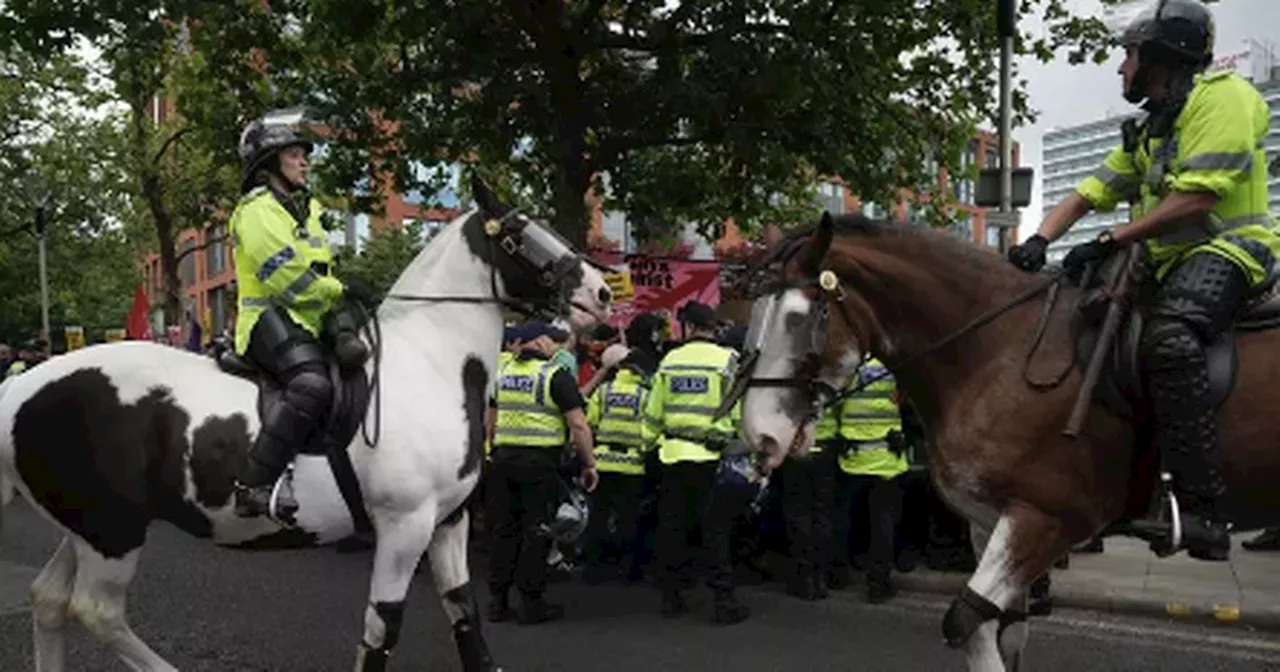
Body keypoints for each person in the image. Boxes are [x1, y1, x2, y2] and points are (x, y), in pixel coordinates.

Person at [1006, 0, 1279, 561]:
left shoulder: (1224, 98)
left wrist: (1113, 239)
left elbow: (1198, 198)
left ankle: (1204, 510)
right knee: (1089, 324)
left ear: (1161, 55)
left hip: (1234, 249)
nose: (1121, 68)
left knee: (1170, 337)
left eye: (1129, 54)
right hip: (1168, 262)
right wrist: (1037, 241)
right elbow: (1088, 191)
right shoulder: (1151, 130)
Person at [229, 109, 374, 520]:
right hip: (267, 319)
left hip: (309, 317)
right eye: (294, 154)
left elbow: (320, 268)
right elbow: (286, 279)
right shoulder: (256, 210)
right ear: (270, 162)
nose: (304, 161)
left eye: (303, 155)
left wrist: (344, 299)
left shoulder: (308, 209)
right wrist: (340, 291)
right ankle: (253, 485)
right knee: (312, 385)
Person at [486, 322, 599, 625]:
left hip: (501, 460)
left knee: (503, 531)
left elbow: (491, 420)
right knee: (537, 533)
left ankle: (497, 602)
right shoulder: (555, 376)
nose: (557, 346)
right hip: (540, 464)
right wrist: (589, 464)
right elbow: (578, 424)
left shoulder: (502, 374)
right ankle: (531, 604)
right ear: (540, 341)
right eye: (553, 340)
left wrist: (492, 451)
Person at [645, 301, 749, 624]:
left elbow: (653, 414)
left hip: (673, 455)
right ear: (712, 328)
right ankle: (723, 601)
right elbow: (738, 412)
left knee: (672, 528)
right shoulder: (727, 361)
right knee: (715, 530)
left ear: (688, 327)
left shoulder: (670, 361)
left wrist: (648, 444)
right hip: (711, 457)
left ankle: (670, 597)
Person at [832, 357, 909, 604]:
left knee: (845, 518)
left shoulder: (847, 366)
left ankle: (839, 572)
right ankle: (878, 583)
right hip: (886, 459)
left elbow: (835, 402)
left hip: (852, 457)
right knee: (883, 523)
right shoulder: (895, 364)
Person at [582, 346, 658, 584]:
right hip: (632, 464)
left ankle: (593, 568)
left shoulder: (604, 391)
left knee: (598, 516)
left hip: (603, 462)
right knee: (629, 519)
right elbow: (650, 430)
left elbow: (589, 422)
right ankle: (629, 570)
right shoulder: (647, 395)